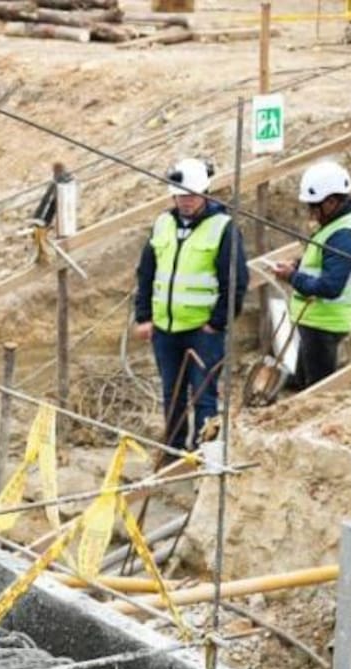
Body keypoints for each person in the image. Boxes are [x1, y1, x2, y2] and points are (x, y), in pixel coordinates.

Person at [133, 157, 248, 451]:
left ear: (205, 193)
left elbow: (235, 282)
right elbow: (146, 272)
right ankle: (173, 453)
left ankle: (203, 455)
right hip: (165, 330)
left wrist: (216, 323)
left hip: (203, 331)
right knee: (172, 395)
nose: (185, 201)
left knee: (203, 395)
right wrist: (143, 316)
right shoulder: (163, 224)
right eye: (180, 196)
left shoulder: (223, 228)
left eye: (191, 196)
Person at [270, 160, 351, 388]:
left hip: (324, 324)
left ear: (332, 201)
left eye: (314, 206)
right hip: (314, 321)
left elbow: (330, 287)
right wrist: (297, 265)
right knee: (301, 383)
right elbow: (321, 261)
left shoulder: (345, 233)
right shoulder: (336, 225)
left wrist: (292, 277)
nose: (311, 213)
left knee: (318, 392)